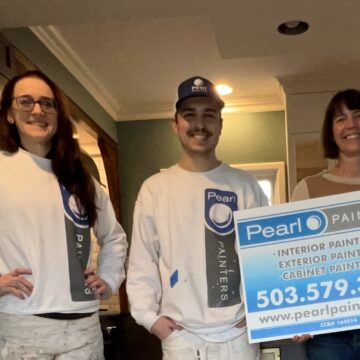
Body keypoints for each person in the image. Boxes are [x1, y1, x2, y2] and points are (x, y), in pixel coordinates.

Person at [126, 76, 268, 359]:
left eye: (209, 115)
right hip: (182, 339)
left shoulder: (246, 186)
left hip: (238, 336)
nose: (200, 124)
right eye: (190, 115)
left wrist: (261, 314)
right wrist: (149, 318)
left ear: (221, 124)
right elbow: (142, 261)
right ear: (175, 124)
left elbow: (264, 257)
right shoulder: (155, 188)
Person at [0, 70, 128, 359]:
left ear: (57, 115)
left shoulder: (79, 178)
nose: (38, 110)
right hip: (22, 324)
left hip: (83, 327)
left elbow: (115, 237)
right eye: (25, 102)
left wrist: (107, 278)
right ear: (9, 114)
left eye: (48, 103)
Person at [292, 89, 360, 359]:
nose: (351, 124)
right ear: (331, 131)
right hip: (329, 334)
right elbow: (295, 262)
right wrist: (295, 313)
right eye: (340, 118)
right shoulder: (308, 189)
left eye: (358, 115)